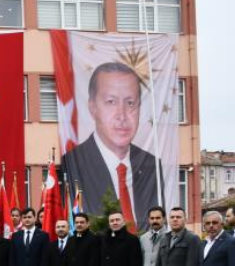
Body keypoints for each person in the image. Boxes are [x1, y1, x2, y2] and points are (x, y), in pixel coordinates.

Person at [61, 62, 164, 228]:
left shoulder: (151, 165)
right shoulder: (74, 163)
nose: (121, 115)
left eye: (130, 103)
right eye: (111, 102)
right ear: (93, 107)